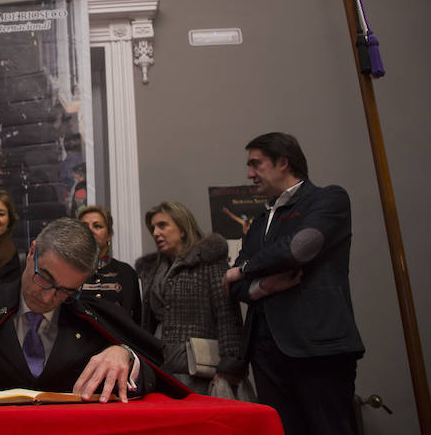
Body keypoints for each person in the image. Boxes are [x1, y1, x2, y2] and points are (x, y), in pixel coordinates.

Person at [0, 218, 189, 402]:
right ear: (33, 252)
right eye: (45, 278)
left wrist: (125, 354)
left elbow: (157, 375)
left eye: (66, 290)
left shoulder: (94, 316)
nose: (50, 297)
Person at [222, 132, 364, 435]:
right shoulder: (259, 221)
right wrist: (265, 286)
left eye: (255, 164)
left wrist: (246, 268)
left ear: (283, 162)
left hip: (318, 347)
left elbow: (300, 247)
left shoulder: (329, 199)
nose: (249, 174)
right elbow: (232, 286)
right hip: (264, 351)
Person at [135, 201, 245, 395]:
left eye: (163, 225)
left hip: (197, 367)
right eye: (152, 227)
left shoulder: (208, 262)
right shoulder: (152, 270)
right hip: (159, 365)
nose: (155, 233)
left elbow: (227, 315)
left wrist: (230, 365)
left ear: (183, 228)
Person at [77, 205, 141, 324]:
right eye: (84, 227)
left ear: (109, 235)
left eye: (97, 226)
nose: (90, 230)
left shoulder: (126, 272)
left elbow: (136, 320)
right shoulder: (69, 271)